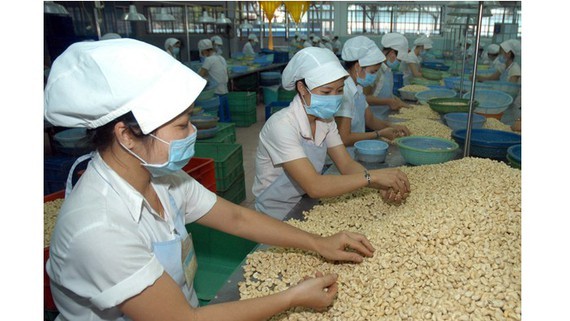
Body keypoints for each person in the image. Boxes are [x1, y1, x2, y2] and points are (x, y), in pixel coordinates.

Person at [44, 38, 377, 321]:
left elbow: (235, 215)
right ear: (126, 135)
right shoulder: (99, 229)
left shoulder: (161, 177)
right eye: (181, 125)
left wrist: (318, 242)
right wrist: (291, 298)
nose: (192, 133)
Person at [253, 47, 411, 219]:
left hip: (303, 203)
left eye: (340, 90)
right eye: (326, 92)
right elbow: (315, 186)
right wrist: (372, 177)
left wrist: (379, 185)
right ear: (302, 88)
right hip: (274, 212)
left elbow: (346, 165)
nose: (334, 98)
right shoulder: (282, 125)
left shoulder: (326, 121)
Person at [336, 36, 411, 154]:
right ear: (358, 67)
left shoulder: (358, 88)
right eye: (373, 72)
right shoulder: (344, 91)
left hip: (356, 152)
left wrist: (392, 126)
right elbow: (344, 138)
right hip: (343, 156)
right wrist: (378, 134)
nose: (374, 76)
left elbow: (370, 120)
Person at [364, 33, 410, 118]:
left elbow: (386, 94)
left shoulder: (388, 70)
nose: (399, 63)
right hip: (372, 119)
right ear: (392, 53)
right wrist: (388, 102)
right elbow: (364, 98)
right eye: (399, 60)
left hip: (384, 116)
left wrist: (398, 101)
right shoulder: (374, 70)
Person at [198, 39, 230, 122]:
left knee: (220, 115)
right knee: (226, 113)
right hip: (224, 90)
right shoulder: (221, 58)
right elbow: (227, 72)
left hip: (216, 92)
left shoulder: (209, 60)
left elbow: (200, 75)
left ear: (205, 51)